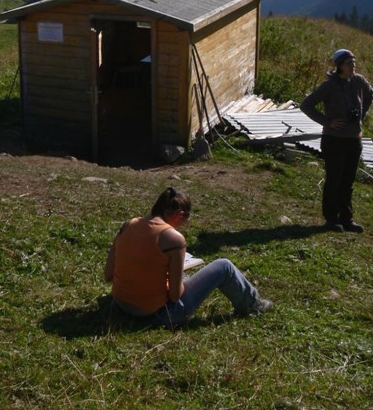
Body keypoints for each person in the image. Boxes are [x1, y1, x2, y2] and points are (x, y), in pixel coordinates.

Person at [104, 187, 273, 329]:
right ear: (180, 214)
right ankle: (252, 306)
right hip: (157, 316)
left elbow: (108, 274)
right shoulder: (173, 239)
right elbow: (175, 296)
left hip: (119, 306)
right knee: (224, 266)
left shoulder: (128, 225)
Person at [300, 48, 372, 233]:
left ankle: (347, 219)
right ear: (339, 66)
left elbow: (370, 94)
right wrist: (327, 122)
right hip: (334, 139)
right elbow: (306, 105)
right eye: (349, 63)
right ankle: (331, 219)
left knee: (348, 181)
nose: (353, 65)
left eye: (354, 62)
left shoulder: (358, 81)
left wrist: (361, 114)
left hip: (354, 139)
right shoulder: (329, 85)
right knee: (334, 179)